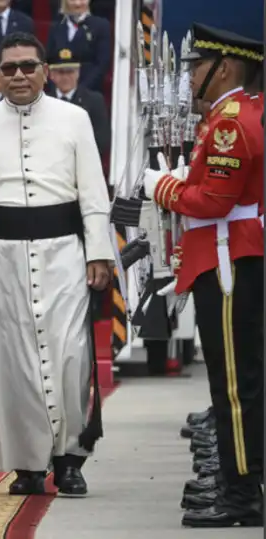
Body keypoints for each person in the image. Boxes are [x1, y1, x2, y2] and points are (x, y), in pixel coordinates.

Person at [0, 32, 113, 496]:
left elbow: (93, 193)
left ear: (44, 69)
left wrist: (99, 251)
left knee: (70, 357)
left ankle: (69, 460)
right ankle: (27, 466)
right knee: (15, 365)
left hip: (64, 253)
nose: (18, 75)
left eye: (27, 66)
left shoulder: (75, 118)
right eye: (9, 68)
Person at [142, 23, 264, 528]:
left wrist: (161, 187)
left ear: (226, 68)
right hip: (224, 256)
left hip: (228, 261)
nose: (190, 75)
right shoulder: (229, 116)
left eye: (198, 67)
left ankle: (242, 496)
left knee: (235, 385)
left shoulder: (231, 122)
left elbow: (213, 200)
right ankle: (241, 485)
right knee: (232, 380)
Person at [45, 48, 110, 157]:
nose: (65, 77)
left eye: (70, 71)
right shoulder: (44, 101)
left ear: (78, 73)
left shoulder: (94, 101)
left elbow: (102, 141)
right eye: (60, 72)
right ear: (51, 75)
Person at [46, 0, 111, 93]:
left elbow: (102, 64)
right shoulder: (56, 27)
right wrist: (56, 89)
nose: (77, 4)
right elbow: (48, 61)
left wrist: (80, 90)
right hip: (58, 93)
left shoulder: (101, 26)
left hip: (88, 91)